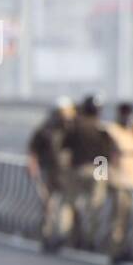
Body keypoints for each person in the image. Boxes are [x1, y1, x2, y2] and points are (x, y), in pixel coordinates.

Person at [62, 95, 112, 250]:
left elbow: (65, 149)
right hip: (97, 170)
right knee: (95, 206)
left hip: (77, 169)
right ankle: (91, 240)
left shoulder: (76, 127)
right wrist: (103, 177)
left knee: (71, 204)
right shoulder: (102, 128)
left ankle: (71, 236)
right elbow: (105, 154)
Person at [104, 102, 133, 265]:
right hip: (121, 183)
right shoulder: (112, 132)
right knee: (119, 219)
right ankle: (116, 250)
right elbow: (101, 157)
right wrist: (102, 179)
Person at [26, 99, 75, 253]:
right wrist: (32, 166)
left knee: (68, 205)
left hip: (68, 173)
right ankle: (47, 237)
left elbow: (97, 154)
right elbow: (32, 150)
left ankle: (64, 237)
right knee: (49, 205)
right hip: (48, 172)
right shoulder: (44, 131)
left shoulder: (73, 130)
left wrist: (101, 173)